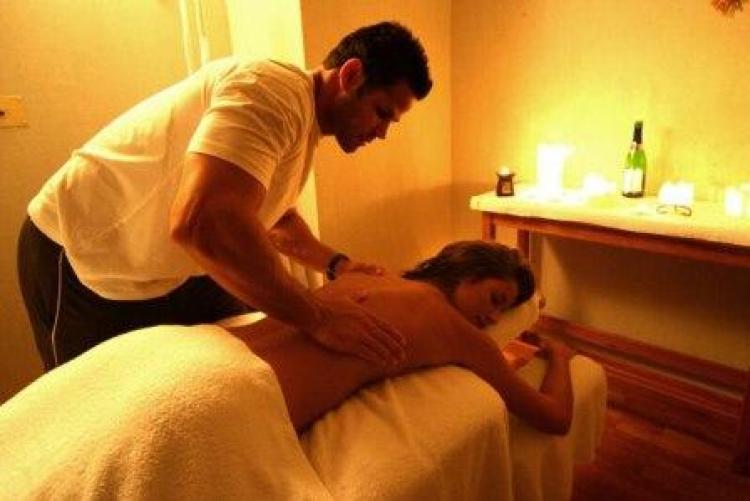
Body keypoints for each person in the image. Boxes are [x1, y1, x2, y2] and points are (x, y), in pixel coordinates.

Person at [17, 21, 432, 370]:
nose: (382, 133)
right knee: (99, 408)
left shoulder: (301, 123)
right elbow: (204, 222)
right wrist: (319, 317)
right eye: (382, 112)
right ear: (351, 75)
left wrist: (336, 263)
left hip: (165, 266)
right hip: (81, 248)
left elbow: (274, 219)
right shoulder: (272, 92)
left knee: (227, 365)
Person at [228, 240, 576, 434]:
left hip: (213, 346)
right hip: (242, 406)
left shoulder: (367, 276)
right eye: (496, 299)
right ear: (469, 273)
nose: (495, 319)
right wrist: (559, 354)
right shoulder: (458, 332)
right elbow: (555, 418)